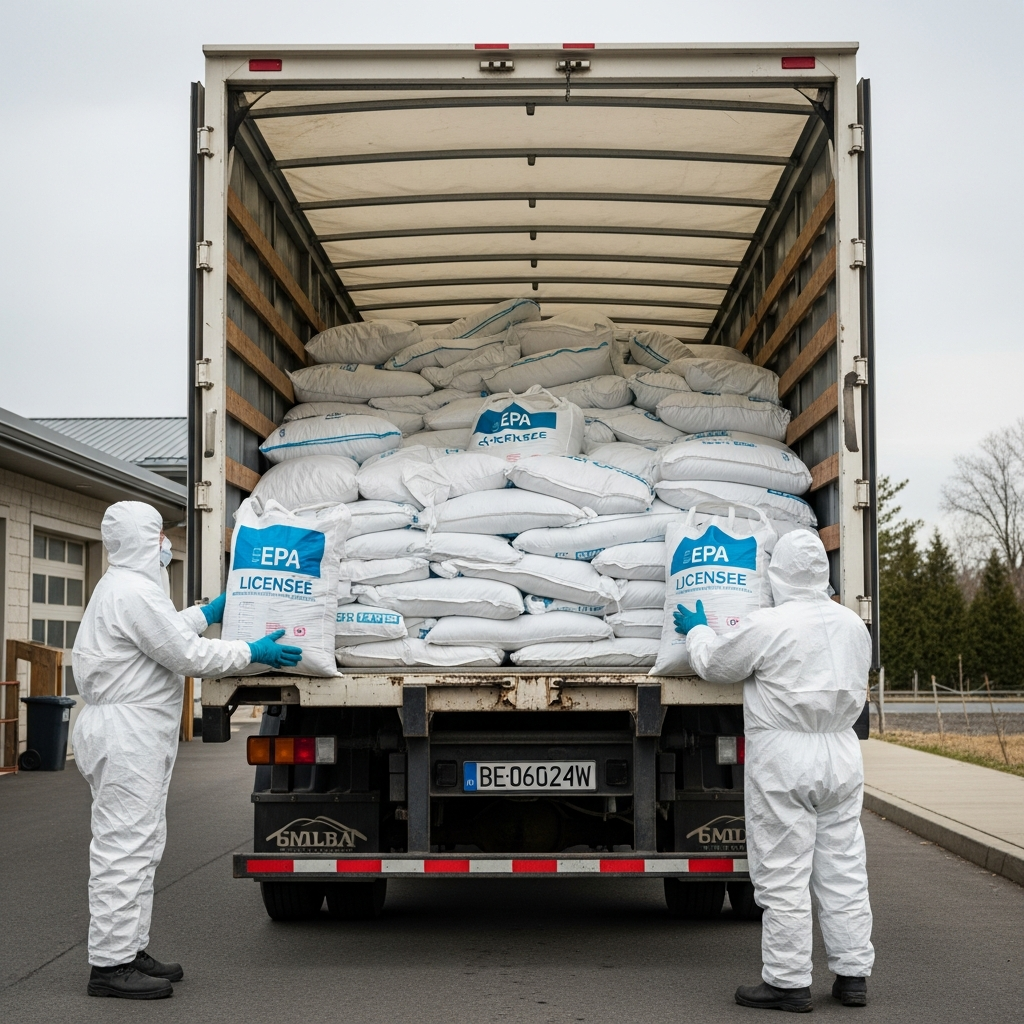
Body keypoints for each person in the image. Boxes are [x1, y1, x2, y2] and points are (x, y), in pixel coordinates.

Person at [72, 501, 302, 999]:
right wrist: (251, 652)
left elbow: (167, 631)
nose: (164, 545)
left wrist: (208, 612)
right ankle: (109, 965)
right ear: (143, 539)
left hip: (131, 731)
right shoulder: (131, 590)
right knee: (123, 848)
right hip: (126, 732)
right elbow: (185, 653)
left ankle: (129, 950)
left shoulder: (129, 588)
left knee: (142, 844)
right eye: (158, 535)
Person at [675, 529, 873, 1011]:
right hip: (842, 752)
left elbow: (717, 665)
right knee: (844, 867)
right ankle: (852, 976)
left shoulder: (769, 623)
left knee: (783, 870)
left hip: (786, 754)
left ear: (777, 573)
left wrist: (698, 629)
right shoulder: (853, 626)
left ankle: (787, 982)